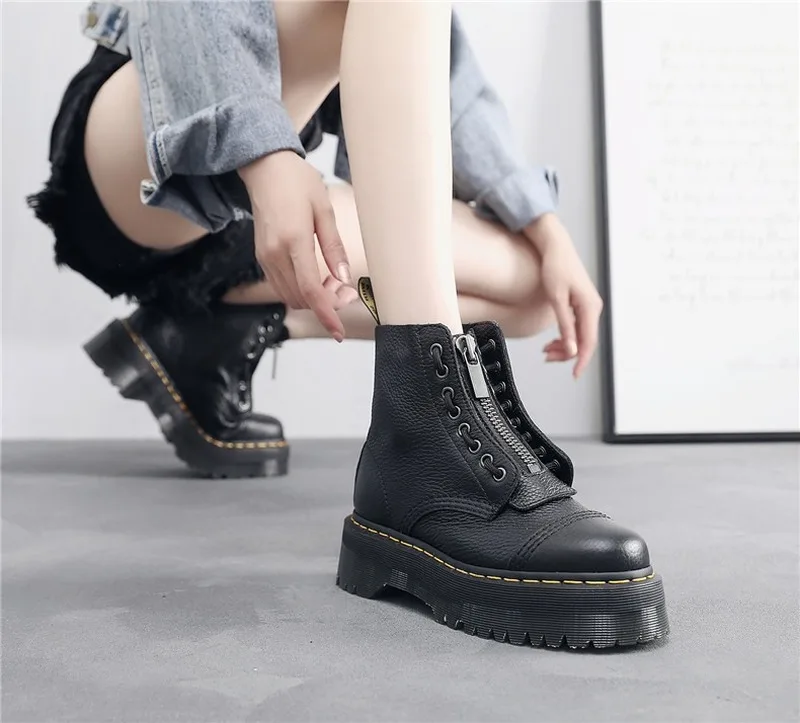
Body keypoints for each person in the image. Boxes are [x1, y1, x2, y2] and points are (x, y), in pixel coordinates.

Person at [29, 1, 668, 647]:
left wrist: (546, 228)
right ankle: (426, 434)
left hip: (249, 215)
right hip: (149, 146)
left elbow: (447, 76)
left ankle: (209, 328)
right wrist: (265, 155)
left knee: (534, 289)